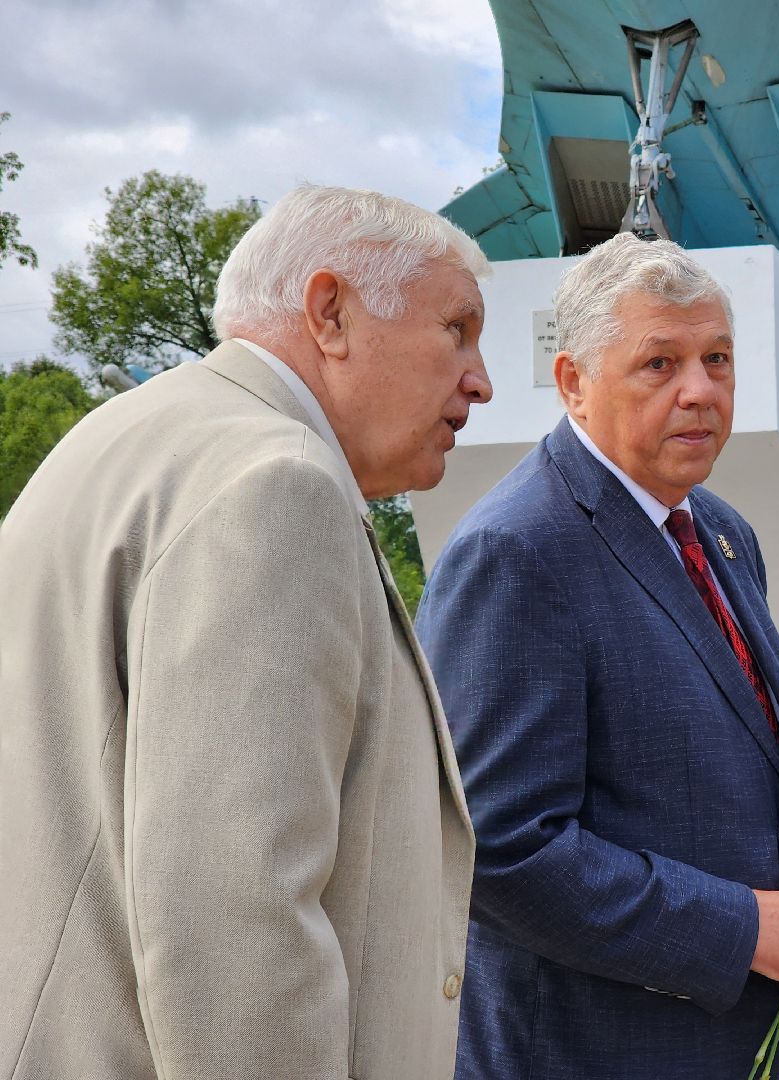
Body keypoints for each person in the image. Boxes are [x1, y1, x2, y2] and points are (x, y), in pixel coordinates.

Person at [0, 184, 491, 1079]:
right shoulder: (278, 483)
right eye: (457, 329)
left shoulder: (131, 438)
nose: (482, 380)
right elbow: (234, 917)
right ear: (330, 312)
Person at [418, 232, 779, 1079]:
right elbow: (496, 847)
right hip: (594, 1051)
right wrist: (740, 927)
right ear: (573, 382)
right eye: (659, 364)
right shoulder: (517, 553)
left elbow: (743, 757)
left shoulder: (719, 530)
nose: (701, 392)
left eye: (718, 359)